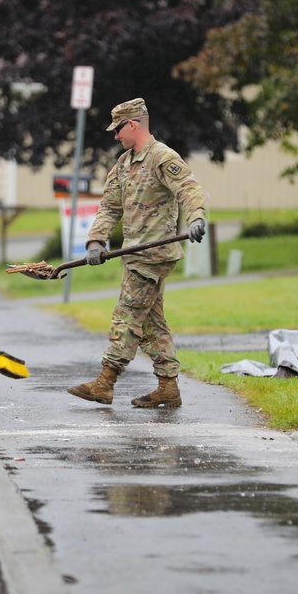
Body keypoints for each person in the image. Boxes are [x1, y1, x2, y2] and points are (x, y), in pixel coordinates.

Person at [67, 97, 206, 408]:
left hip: (153, 255)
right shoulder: (124, 164)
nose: (115, 135)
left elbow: (188, 187)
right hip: (134, 254)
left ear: (132, 124)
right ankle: (168, 387)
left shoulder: (161, 157)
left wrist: (196, 217)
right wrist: (95, 241)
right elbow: (109, 206)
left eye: (118, 129)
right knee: (150, 324)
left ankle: (105, 383)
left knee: (127, 316)